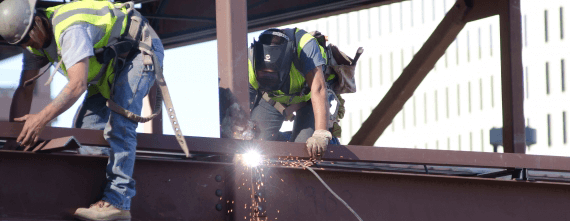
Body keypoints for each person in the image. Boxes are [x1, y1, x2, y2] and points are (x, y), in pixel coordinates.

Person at [0, 0, 165, 219]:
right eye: (20, 42)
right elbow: (25, 88)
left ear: (37, 23)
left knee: (121, 121)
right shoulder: (33, 42)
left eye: (26, 39)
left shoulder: (70, 29)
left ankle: (119, 200)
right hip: (110, 67)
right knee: (85, 130)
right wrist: (16, 137)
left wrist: (40, 119)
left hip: (138, 51)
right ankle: (97, 198)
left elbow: (77, 85)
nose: (26, 46)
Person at [248, 28, 334, 159]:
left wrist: (321, 134)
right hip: (272, 99)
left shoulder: (305, 47)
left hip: (310, 99)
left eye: (272, 74)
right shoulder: (250, 62)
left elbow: (319, 89)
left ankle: (330, 141)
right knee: (256, 144)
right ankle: (286, 138)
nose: (268, 77)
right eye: (263, 73)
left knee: (304, 151)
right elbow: (240, 108)